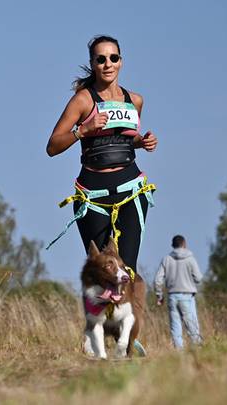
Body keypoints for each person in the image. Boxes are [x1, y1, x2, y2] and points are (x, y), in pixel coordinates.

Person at [46, 35, 157, 273]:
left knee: (127, 270)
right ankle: (98, 310)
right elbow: (52, 146)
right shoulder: (82, 100)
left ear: (121, 62)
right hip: (94, 195)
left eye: (113, 58)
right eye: (101, 59)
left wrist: (143, 141)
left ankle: (130, 312)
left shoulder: (134, 100)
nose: (108, 64)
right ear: (93, 63)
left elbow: (124, 140)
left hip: (131, 191)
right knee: (103, 269)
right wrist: (83, 131)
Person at [154, 235, 203, 349]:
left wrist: (159, 295)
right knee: (192, 326)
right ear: (184, 244)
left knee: (175, 327)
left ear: (173, 245)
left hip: (172, 296)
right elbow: (198, 278)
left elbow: (157, 280)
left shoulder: (167, 259)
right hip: (187, 296)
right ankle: (198, 351)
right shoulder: (190, 259)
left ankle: (179, 354)